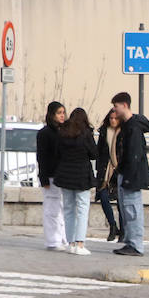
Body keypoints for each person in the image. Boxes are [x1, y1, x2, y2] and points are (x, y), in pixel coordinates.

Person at [110, 91, 149, 256]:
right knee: (127, 210)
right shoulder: (128, 126)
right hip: (126, 174)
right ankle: (130, 242)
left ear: (124, 105)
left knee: (132, 210)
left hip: (131, 176)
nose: (114, 110)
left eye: (116, 106)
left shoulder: (133, 127)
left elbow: (134, 154)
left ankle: (135, 245)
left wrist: (128, 176)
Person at [54, 107, 97, 255]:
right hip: (81, 176)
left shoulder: (62, 133)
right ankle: (80, 243)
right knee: (82, 209)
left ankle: (71, 243)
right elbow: (94, 154)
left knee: (68, 209)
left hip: (65, 175)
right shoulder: (86, 134)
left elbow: (57, 153)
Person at [37, 100, 67, 250]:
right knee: (51, 209)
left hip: (62, 176)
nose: (62, 116)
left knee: (62, 209)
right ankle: (53, 240)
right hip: (50, 176)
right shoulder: (45, 133)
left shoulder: (65, 131)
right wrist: (43, 178)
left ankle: (63, 238)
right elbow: (41, 157)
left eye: (63, 113)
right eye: (59, 113)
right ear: (52, 114)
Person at [95, 107, 123, 243]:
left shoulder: (123, 132)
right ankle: (112, 226)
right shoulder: (104, 132)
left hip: (118, 170)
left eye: (115, 118)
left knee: (121, 202)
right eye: (111, 118)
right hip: (105, 171)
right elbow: (99, 152)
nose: (113, 120)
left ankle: (123, 230)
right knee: (104, 197)